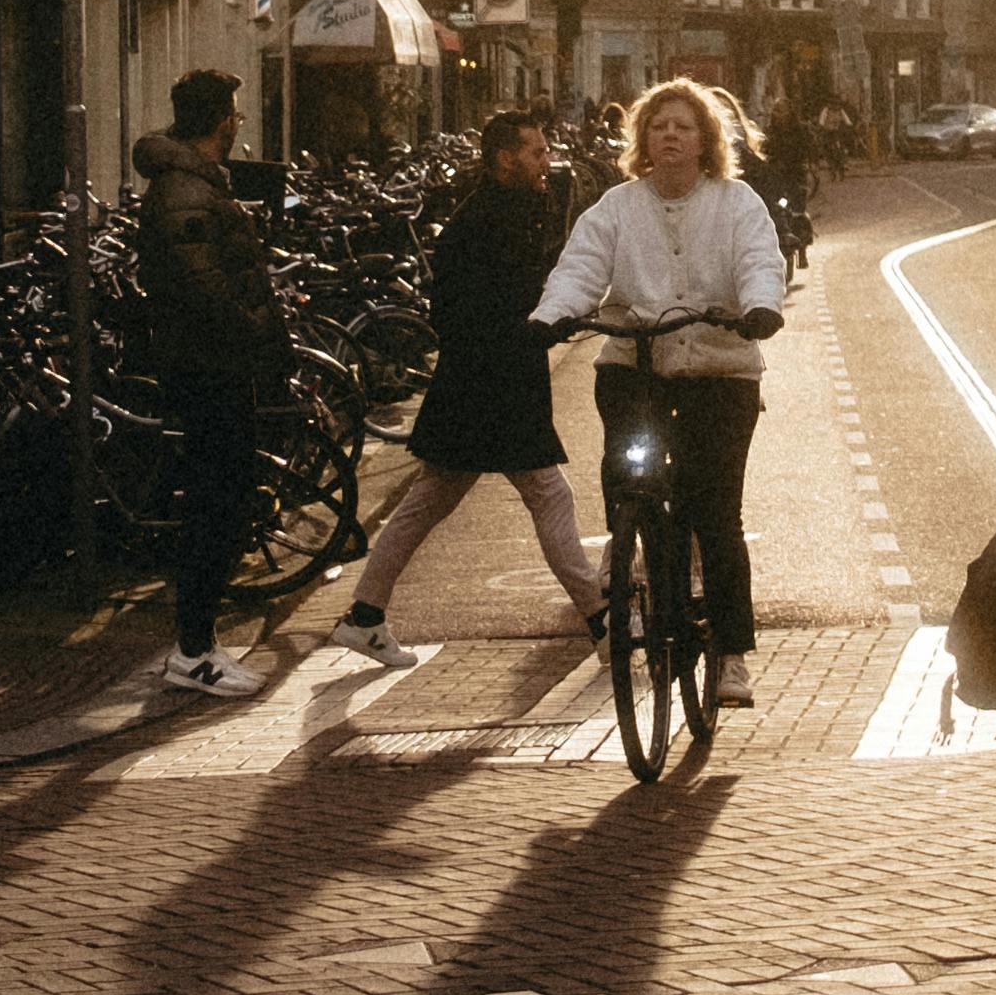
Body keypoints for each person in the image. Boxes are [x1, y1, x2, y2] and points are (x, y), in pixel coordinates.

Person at [538, 73, 788, 694]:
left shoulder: (737, 205)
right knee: (632, 481)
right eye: (658, 125)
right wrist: (551, 316)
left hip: (719, 371)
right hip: (636, 365)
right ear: (642, 140)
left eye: (683, 126)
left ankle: (731, 652)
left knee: (713, 510)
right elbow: (582, 266)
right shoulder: (617, 208)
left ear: (705, 141)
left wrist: (759, 308)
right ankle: (635, 563)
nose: (670, 135)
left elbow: (760, 259)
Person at [331, 105, 597, 664]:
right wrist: (543, 329)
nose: (547, 161)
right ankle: (603, 618)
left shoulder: (502, 212)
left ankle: (365, 614)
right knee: (548, 496)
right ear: (506, 158)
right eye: (537, 152)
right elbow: (490, 311)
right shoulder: (489, 224)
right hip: (495, 388)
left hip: (473, 387)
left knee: (426, 503)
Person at [132, 66, 289, 696]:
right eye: (234, 116)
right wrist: (256, 330)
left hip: (211, 361)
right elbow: (205, 286)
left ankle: (199, 642)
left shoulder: (192, 186)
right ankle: (193, 649)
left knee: (221, 500)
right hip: (208, 365)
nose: (236, 126)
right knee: (215, 503)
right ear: (223, 121)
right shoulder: (186, 193)